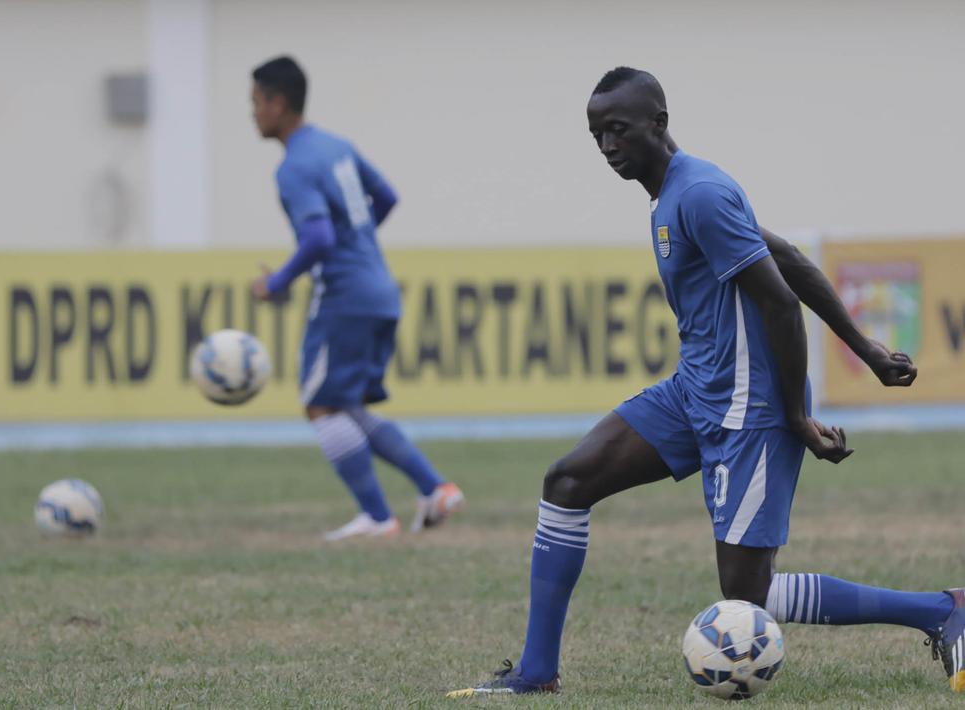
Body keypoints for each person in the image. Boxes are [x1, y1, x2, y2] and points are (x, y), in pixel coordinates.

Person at [449, 67, 963, 696]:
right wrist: (868, 348)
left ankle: (942, 610)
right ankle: (534, 674)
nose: (607, 147)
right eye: (596, 135)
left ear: (658, 124)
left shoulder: (699, 193)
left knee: (748, 596)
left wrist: (798, 418)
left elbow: (779, 302)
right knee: (567, 481)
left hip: (752, 406)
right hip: (697, 391)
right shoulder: (671, 193)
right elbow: (792, 259)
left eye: (618, 130)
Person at [248, 56, 464, 540]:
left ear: (278, 104)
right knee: (349, 408)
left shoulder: (293, 167)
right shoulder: (336, 146)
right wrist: (359, 242)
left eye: (256, 102)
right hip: (380, 289)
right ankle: (435, 489)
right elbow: (386, 197)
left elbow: (320, 238)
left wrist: (277, 283)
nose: (253, 113)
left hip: (344, 296)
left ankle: (376, 517)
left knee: (320, 406)